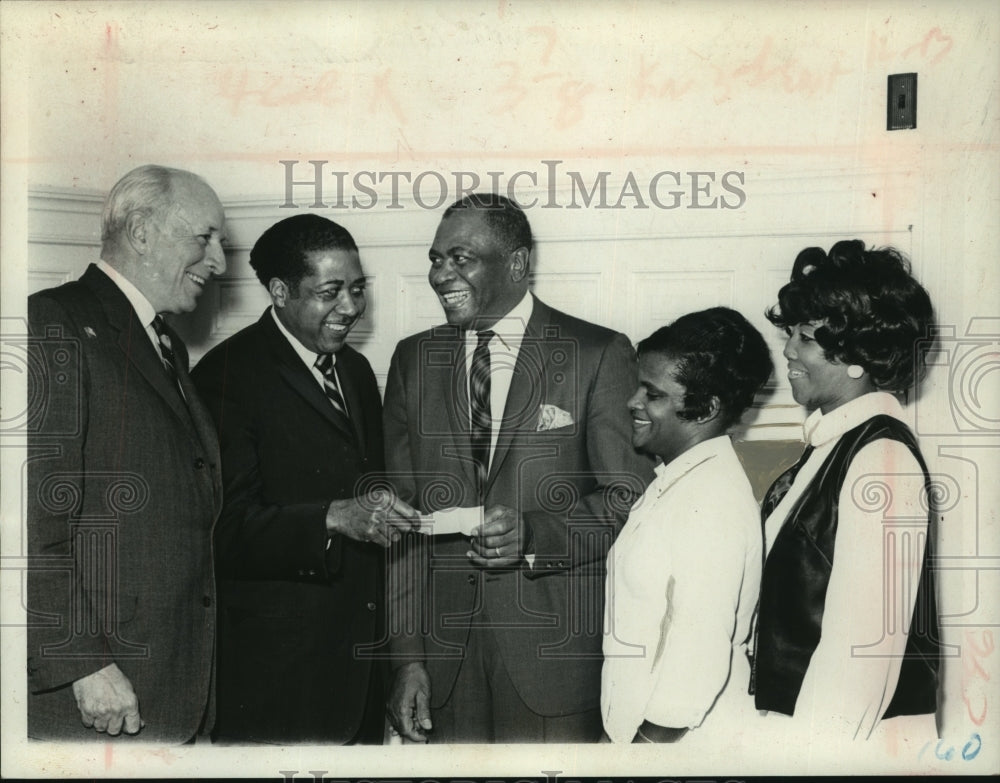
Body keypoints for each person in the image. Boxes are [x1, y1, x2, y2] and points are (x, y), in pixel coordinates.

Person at [384, 193, 655, 744]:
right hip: (444, 666)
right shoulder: (411, 360)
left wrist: (536, 534)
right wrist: (407, 659)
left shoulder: (596, 353)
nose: (440, 275)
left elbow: (631, 500)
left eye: (461, 259)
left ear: (516, 263)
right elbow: (401, 521)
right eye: (436, 259)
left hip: (554, 665)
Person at [191, 214, 418, 744]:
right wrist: (334, 518)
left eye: (357, 289)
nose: (351, 307)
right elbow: (222, 532)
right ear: (279, 292)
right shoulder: (225, 377)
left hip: (360, 674)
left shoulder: (354, 370)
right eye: (330, 292)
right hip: (277, 686)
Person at [26, 164, 227, 742]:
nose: (218, 262)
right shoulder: (53, 322)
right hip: (99, 693)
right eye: (205, 238)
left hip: (168, 680)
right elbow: (28, 518)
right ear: (141, 232)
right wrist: (83, 663)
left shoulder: (164, 344)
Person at [751, 239, 941, 744]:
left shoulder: (881, 462)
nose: (788, 349)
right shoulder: (833, 446)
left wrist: (813, 760)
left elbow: (861, 657)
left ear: (857, 356)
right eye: (790, 332)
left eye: (806, 337)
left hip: (838, 745)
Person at [601, 307, 773, 745]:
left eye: (653, 394)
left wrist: (639, 754)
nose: (633, 402)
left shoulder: (711, 499)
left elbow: (696, 656)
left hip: (679, 745)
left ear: (706, 409)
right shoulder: (678, 481)